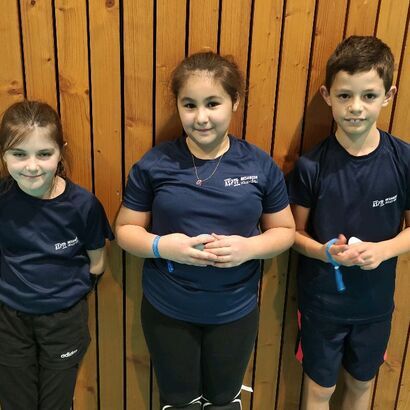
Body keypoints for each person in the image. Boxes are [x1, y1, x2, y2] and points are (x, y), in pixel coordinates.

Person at [115, 51, 295, 410]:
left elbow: (285, 230)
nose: (201, 117)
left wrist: (249, 248)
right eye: (189, 105)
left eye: (213, 103)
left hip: (234, 310)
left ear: (235, 102)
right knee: (179, 403)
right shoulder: (155, 164)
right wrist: (162, 246)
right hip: (168, 309)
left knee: (223, 402)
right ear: (178, 106)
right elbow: (124, 229)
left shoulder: (259, 165)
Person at [288, 36, 410, 410]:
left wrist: (384, 250)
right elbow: (293, 234)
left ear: (388, 96)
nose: (355, 107)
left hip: (375, 306)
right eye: (345, 96)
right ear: (327, 96)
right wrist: (325, 252)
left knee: (361, 384)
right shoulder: (311, 166)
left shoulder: (403, 159)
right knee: (319, 391)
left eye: (368, 96)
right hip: (321, 306)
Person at [0, 100, 114, 410]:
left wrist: (63, 299)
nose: (32, 166)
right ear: (4, 155)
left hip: (64, 321)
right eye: (19, 154)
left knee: (57, 403)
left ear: (60, 152)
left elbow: (97, 263)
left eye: (44, 154)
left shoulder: (84, 206)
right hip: (9, 321)